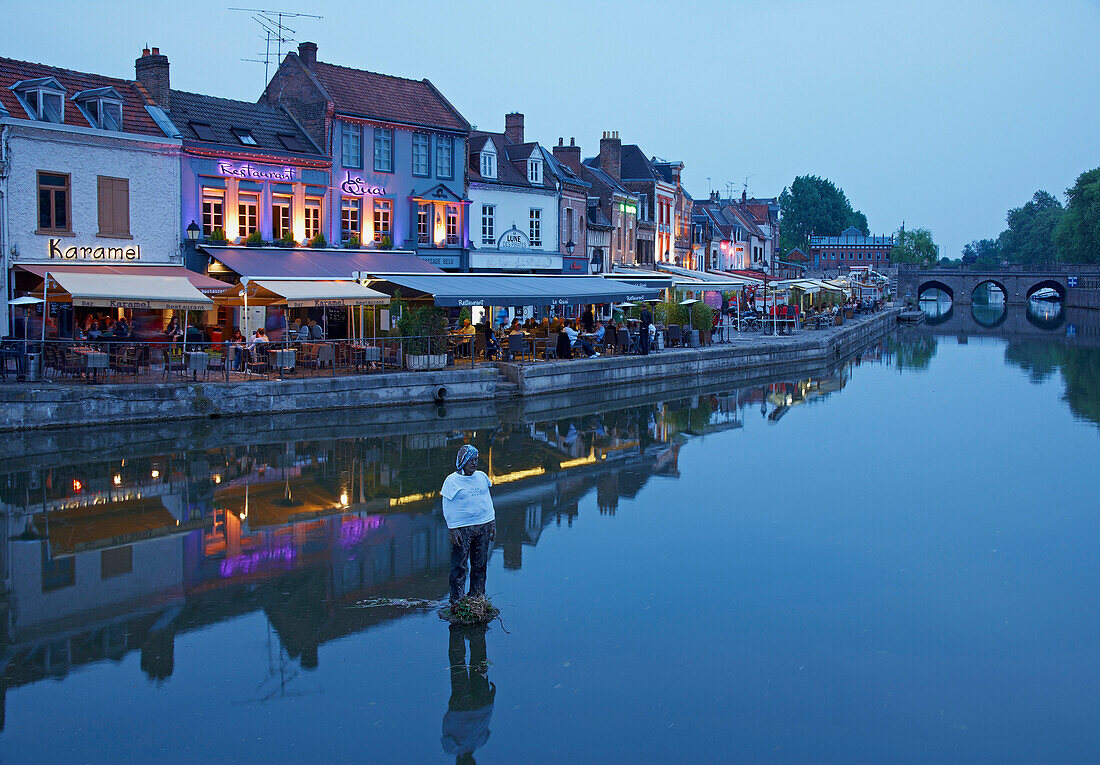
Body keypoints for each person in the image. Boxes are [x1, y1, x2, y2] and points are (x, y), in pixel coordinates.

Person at [442, 445, 496, 606]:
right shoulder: (452, 481)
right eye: (471, 460)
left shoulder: (481, 477)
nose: (474, 463)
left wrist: (492, 523)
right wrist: (452, 528)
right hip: (463, 528)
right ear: (463, 461)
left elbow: (487, 500)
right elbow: (447, 506)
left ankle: (477, 596)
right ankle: (457, 600)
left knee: (480, 564)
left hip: (483, 526)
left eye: (476, 460)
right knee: (459, 565)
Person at [441, 624, 495, 764]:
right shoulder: (451, 749)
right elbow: (446, 732)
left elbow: (485, 724)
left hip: (479, 705)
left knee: (479, 663)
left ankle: (475, 630)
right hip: (461, 708)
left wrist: (491, 698)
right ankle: (458, 631)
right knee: (459, 667)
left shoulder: (481, 742)